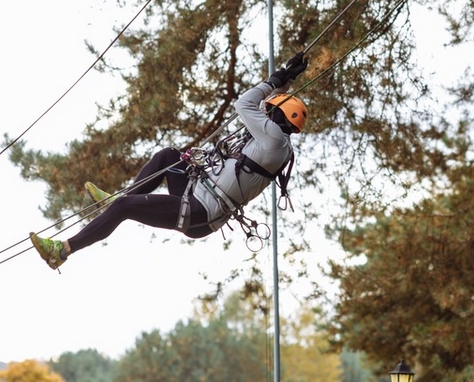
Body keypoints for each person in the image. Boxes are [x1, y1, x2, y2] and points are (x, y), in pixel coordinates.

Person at [29, 52, 309, 269]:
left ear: (276, 118)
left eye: (270, 110)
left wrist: (275, 80)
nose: (265, 113)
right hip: (200, 195)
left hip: (201, 211)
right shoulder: (277, 142)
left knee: (125, 208)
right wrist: (287, 79)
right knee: (169, 156)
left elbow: (245, 104)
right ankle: (117, 200)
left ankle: (63, 251)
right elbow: (255, 107)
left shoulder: (273, 138)